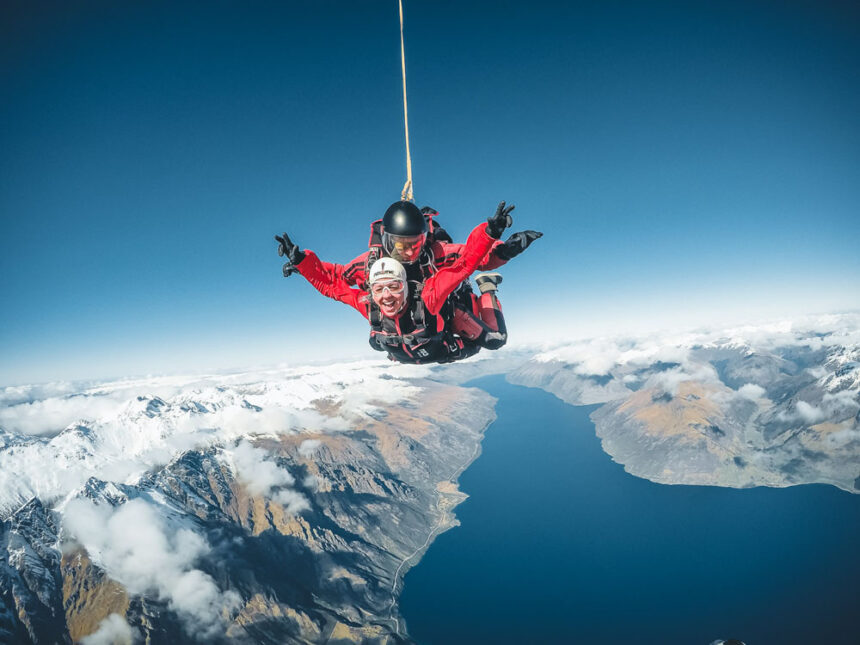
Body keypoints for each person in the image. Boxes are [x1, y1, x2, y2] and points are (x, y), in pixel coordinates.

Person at [277, 204, 520, 363]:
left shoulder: (430, 282)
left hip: (438, 327)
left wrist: (494, 240)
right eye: (379, 289)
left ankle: (487, 288)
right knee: (377, 342)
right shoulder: (368, 281)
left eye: (393, 287)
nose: (386, 296)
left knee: (494, 340)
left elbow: (466, 262)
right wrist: (302, 264)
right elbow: (334, 283)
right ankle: (400, 346)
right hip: (409, 347)